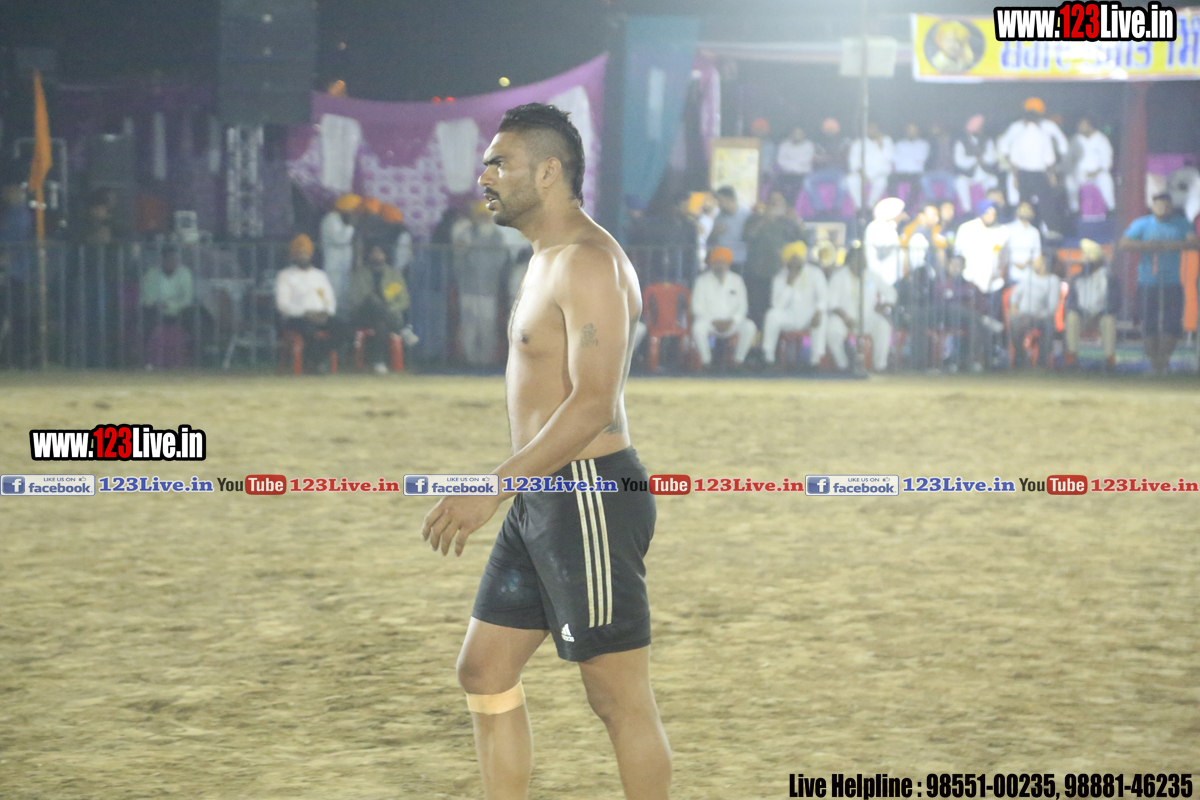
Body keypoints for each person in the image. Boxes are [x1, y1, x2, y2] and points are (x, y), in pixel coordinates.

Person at [420, 103, 671, 800]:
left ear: (549, 172)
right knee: (484, 669)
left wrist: (491, 487)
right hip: (547, 493)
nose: (485, 178)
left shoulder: (587, 263)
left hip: (588, 495)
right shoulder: (547, 259)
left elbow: (593, 404)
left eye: (500, 163)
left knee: (618, 698)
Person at [1119, 192, 1197, 374]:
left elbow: (1194, 242)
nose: (1163, 208)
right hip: (1147, 281)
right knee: (1148, 323)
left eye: (1166, 205)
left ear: (1171, 207)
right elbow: (1124, 243)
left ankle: (1163, 360)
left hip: (1172, 281)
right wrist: (1147, 246)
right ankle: (1155, 363)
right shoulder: (1142, 224)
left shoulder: (1182, 223)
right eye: (1159, 205)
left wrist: (1169, 246)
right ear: (1152, 206)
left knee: (1172, 323)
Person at [274, 234, 347, 372]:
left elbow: (330, 300)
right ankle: (315, 363)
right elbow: (282, 305)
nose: (303, 256)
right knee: (309, 330)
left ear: (311, 254)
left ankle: (320, 359)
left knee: (343, 328)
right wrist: (305, 313)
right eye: (299, 253)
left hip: (321, 316)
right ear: (293, 255)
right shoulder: (285, 275)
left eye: (305, 253)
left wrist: (326, 313)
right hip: (297, 318)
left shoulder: (320, 275)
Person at [453, 199, 511, 365]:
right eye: (481, 216)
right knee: (469, 326)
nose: (484, 219)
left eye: (486, 216)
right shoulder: (467, 234)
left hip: (488, 290)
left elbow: (500, 262)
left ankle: (486, 361)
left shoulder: (498, 237)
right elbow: (458, 259)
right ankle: (469, 361)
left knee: (487, 326)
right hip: (468, 288)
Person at [826, 244, 896, 371]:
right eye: (857, 260)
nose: (861, 263)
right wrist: (845, 318)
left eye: (863, 260)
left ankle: (880, 366)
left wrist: (884, 305)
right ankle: (843, 365)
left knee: (883, 327)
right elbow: (832, 303)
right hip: (843, 318)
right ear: (850, 261)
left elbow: (891, 293)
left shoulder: (871, 275)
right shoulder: (839, 277)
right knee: (832, 330)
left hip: (867, 317)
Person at [997, 98, 1068, 223]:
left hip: (1022, 173)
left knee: (1025, 203)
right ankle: (1047, 228)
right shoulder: (1037, 131)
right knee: (1045, 203)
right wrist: (1053, 174)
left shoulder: (1022, 130)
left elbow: (1006, 150)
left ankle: (1025, 225)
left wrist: (1015, 174)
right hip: (1039, 173)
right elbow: (1056, 154)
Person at [343, 239, 410, 373]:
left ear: (385, 255)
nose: (377, 255)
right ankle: (402, 329)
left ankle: (379, 362)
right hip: (363, 314)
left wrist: (389, 308)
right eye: (374, 252)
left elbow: (404, 300)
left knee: (380, 323)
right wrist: (370, 302)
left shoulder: (394, 275)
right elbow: (353, 298)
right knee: (373, 300)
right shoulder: (359, 274)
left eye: (380, 252)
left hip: (385, 315)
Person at [741, 190, 803, 327]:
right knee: (756, 311)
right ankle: (757, 338)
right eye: (771, 200)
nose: (774, 203)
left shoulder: (788, 222)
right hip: (756, 272)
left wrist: (796, 221)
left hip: (780, 273)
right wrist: (764, 220)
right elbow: (747, 237)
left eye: (778, 201)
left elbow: (801, 240)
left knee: (776, 309)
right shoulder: (754, 219)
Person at [762, 240, 827, 369]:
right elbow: (777, 305)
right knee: (771, 315)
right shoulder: (780, 277)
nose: (795, 262)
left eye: (797, 258)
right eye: (791, 259)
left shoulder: (815, 273)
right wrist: (789, 285)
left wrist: (818, 311)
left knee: (823, 317)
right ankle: (768, 358)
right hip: (790, 316)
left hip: (810, 315)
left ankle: (816, 361)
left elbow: (823, 296)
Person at [691, 246, 756, 369]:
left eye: (722, 262)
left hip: (731, 323)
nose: (719, 266)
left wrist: (733, 320)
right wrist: (712, 321)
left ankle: (738, 361)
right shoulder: (701, 281)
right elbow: (696, 307)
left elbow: (743, 307)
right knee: (698, 328)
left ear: (728, 264)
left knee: (750, 326)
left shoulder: (737, 280)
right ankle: (706, 362)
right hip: (710, 322)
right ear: (711, 263)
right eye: (717, 262)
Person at [1064, 238, 1117, 370]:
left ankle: (1109, 359)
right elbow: (1071, 302)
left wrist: (1100, 312)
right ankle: (1072, 358)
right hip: (1082, 315)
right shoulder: (1076, 278)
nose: (1085, 260)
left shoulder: (1109, 278)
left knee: (1108, 320)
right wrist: (1082, 312)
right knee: (1071, 318)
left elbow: (1115, 302)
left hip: (1100, 315)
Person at [1008, 254, 1062, 368]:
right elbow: (1015, 294)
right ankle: (1020, 358)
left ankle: (1042, 363)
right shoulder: (1028, 277)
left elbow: (1052, 307)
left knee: (1049, 325)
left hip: (1042, 318)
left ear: (1044, 265)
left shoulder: (1053, 281)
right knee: (1014, 322)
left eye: (1036, 261)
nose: (1033, 264)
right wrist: (1014, 307)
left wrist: (1039, 314)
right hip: (1023, 316)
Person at [1064, 118, 1115, 215]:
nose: (1079, 128)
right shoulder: (1076, 139)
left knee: (1106, 181)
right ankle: (1074, 210)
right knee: (1070, 181)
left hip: (1098, 173)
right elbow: (1069, 159)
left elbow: (1107, 160)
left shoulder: (1101, 139)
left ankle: (1110, 208)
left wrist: (1096, 172)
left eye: (1082, 125)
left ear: (1090, 126)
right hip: (1081, 173)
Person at [953, 114, 1000, 215]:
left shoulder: (987, 140)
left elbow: (992, 157)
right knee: (960, 182)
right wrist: (975, 159)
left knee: (993, 180)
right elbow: (959, 161)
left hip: (984, 173)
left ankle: (989, 208)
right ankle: (967, 210)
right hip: (969, 175)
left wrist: (982, 159)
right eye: (978, 128)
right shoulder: (961, 142)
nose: (980, 130)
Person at [320, 193, 361, 303]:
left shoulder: (341, 219)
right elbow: (340, 240)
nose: (355, 212)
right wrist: (350, 225)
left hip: (343, 263)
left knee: (344, 292)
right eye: (354, 209)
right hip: (333, 262)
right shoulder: (331, 219)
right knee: (334, 290)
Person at [847, 122, 894, 211]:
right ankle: (859, 207)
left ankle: (870, 207)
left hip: (879, 173)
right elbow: (853, 162)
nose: (872, 130)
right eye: (869, 128)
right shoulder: (859, 142)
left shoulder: (886, 140)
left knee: (881, 182)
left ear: (878, 129)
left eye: (874, 128)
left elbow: (890, 157)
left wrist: (881, 145)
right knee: (851, 180)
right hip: (863, 173)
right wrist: (862, 174)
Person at [864, 197, 906, 286]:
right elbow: (882, 246)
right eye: (900, 213)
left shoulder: (888, 227)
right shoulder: (877, 226)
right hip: (882, 279)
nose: (902, 216)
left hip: (892, 279)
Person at [706, 186, 749, 269]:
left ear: (730, 199)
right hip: (722, 261)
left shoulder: (746, 215)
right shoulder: (718, 218)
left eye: (721, 201)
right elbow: (710, 242)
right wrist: (714, 233)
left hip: (739, 261)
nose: (719, 204)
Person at [774, 126, 815, 206]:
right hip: (786, 173)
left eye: (800, 134)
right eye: (795, 133)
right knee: (776, 186)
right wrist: (795, 163)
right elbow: (781, 161)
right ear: (791, 134)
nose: (797, 135)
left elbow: (806, 160)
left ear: (803, 135)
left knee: (795, 189)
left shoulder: (808, 145)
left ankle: (792, 208)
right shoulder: (784, 145)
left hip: (802, 174)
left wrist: (790, 160)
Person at [889, 123, 930, 202]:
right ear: (906, 131)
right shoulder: (899, 144)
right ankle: (895, 204)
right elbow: (894, 159)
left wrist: (905, 159)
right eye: (909, 130)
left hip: (915, 173)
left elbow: (921, 158)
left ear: (918, 131)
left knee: (916, 186)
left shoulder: (923, 144)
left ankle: (908, 208)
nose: (911, 132)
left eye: (913, 130)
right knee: (890, 181)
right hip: (901, 172)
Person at [1006, 201, 1042, 286]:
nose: (1025, 211)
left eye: (1028, 209)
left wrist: (1029, 262)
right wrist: (1014, 262)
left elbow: (1037, 255)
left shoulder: (1034, 232)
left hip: (1030, 276)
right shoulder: (1008, 229)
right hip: (1012, 275)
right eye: (1022, 208)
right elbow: (1002, 251)